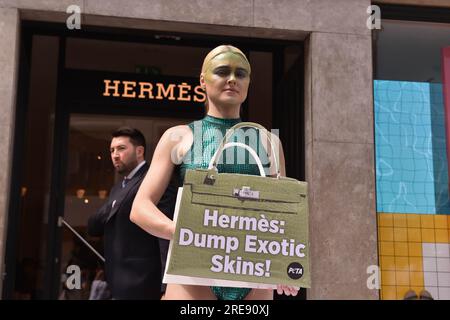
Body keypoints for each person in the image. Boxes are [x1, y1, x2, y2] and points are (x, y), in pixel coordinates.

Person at [130, 45, 299, 300]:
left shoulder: (268, 141)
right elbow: (140, 207)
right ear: (203, 81)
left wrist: (287, 266)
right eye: (222, 71)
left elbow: (282, 214)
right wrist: (184, 231)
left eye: (241, 73)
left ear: (249, 82)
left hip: (253, 271)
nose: (232, 79)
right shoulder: (178, 137)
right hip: (193, 271)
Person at [88, 127, 169, 299]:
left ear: (139, 151)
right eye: (112, 150)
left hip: (145, 283)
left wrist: (166, 287)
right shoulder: (118, 188)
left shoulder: (153, 180)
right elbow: (94, 225)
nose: (115, 155)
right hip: (117, 282)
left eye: (121, 148)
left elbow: (164, 235)